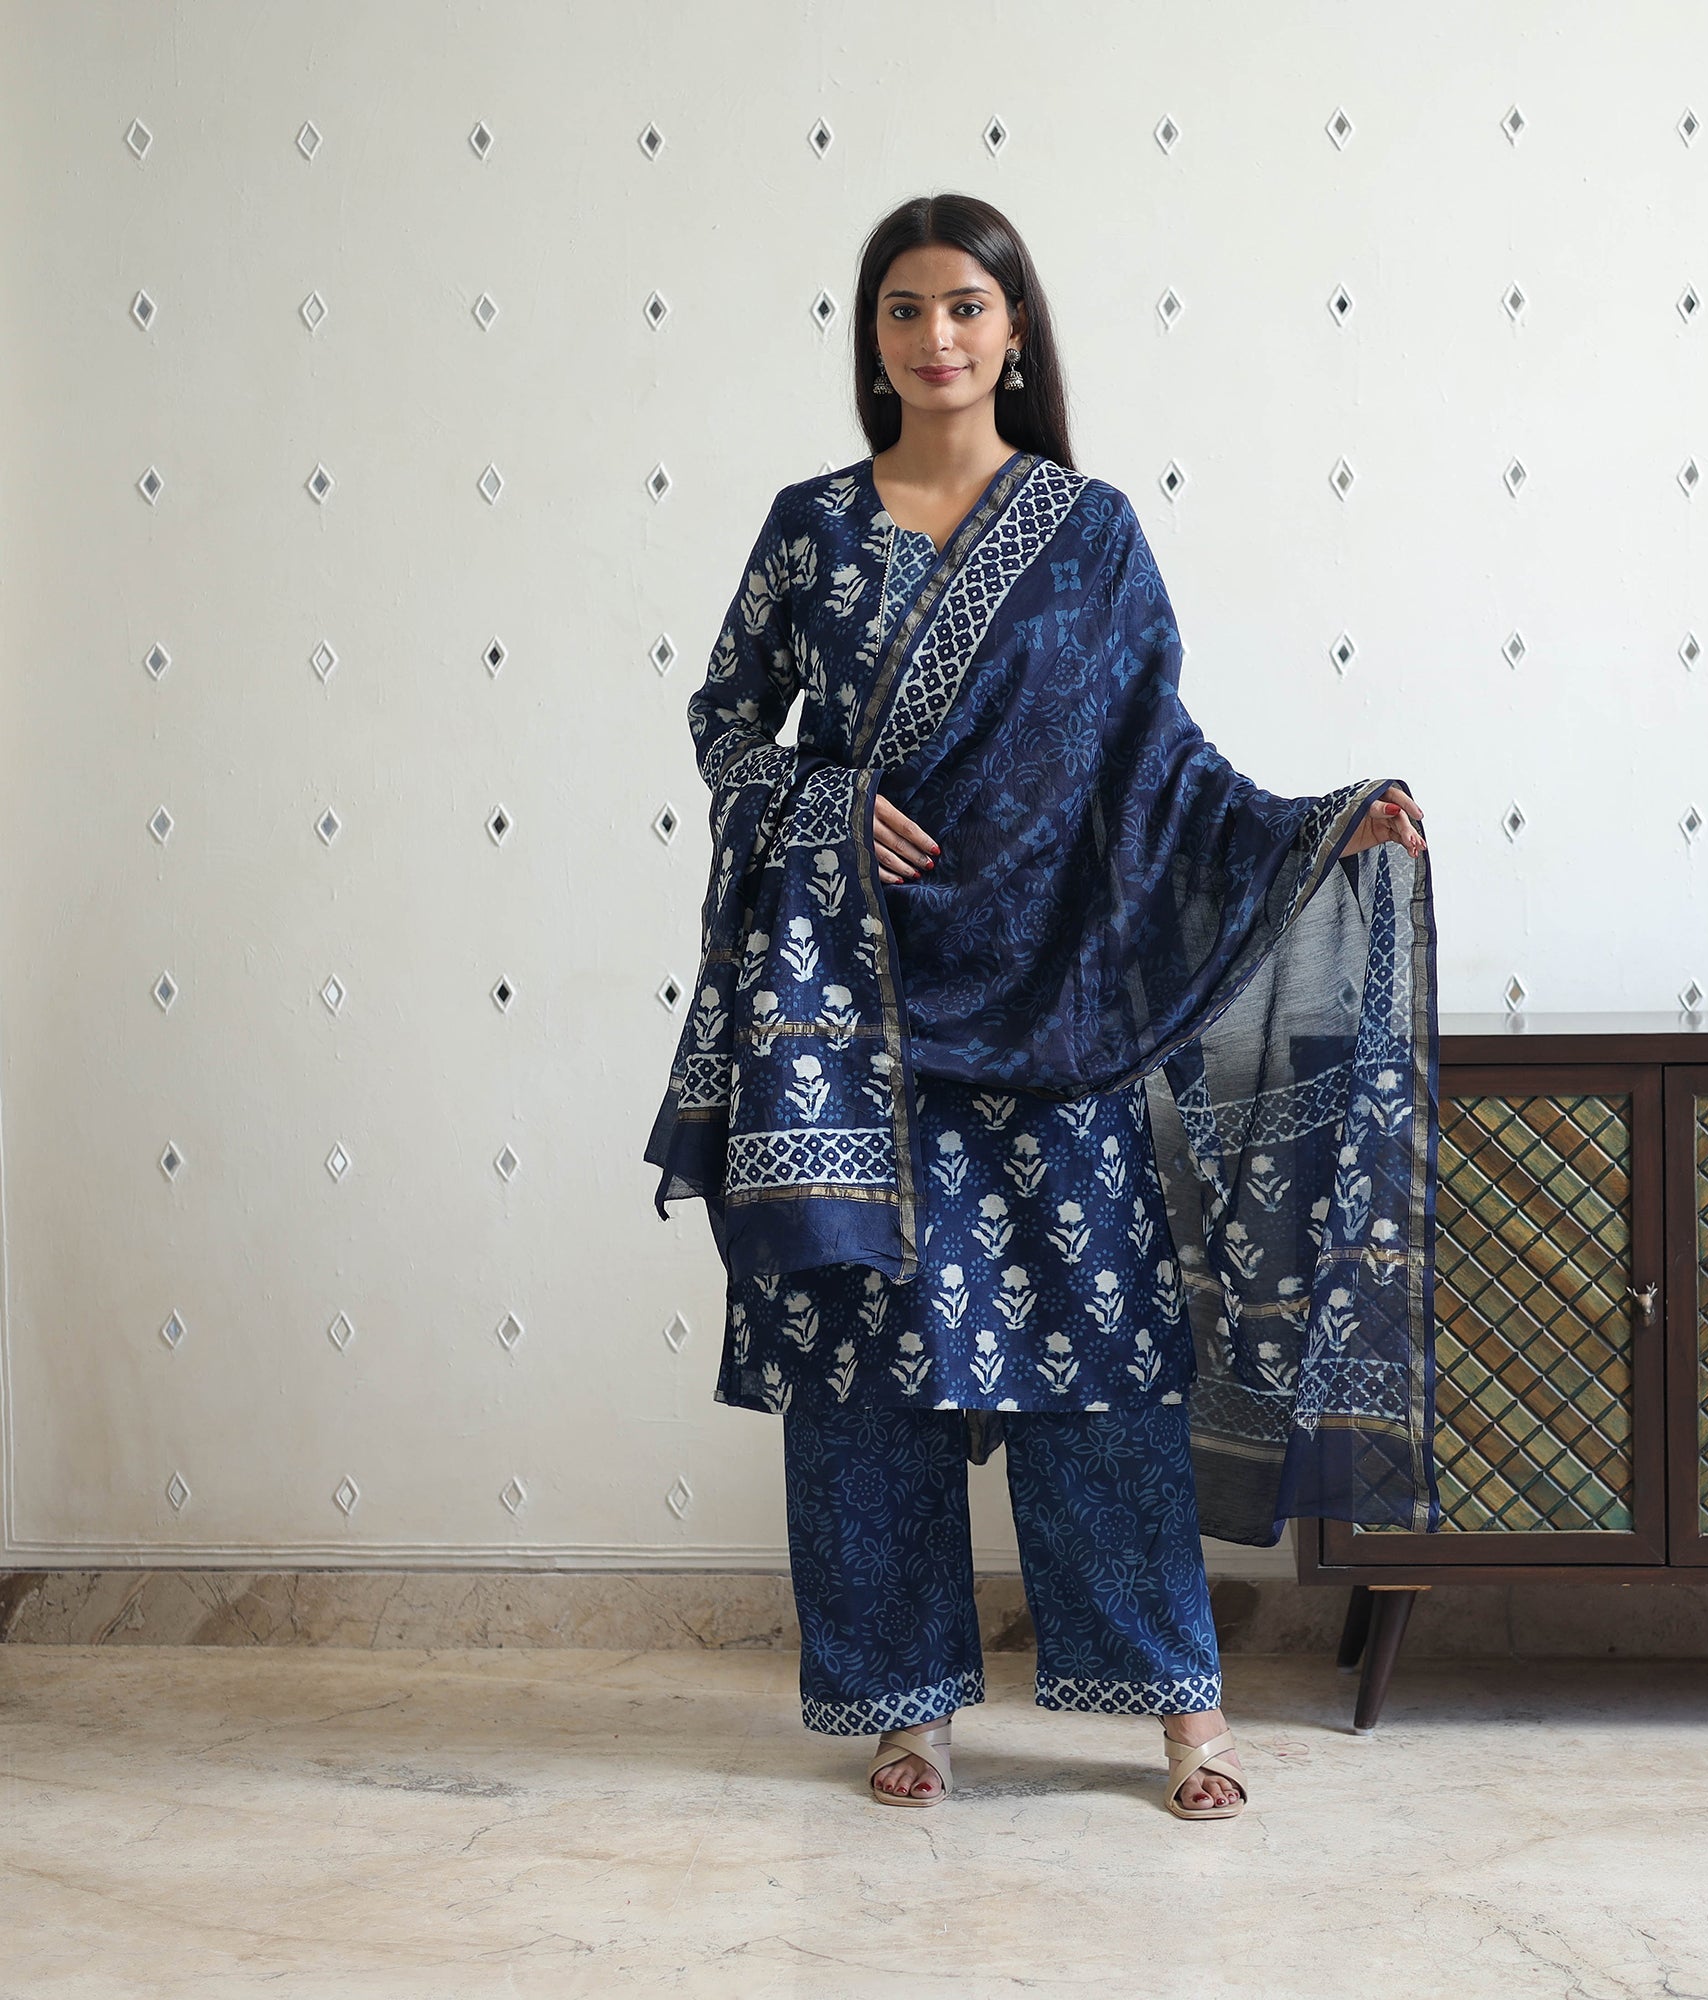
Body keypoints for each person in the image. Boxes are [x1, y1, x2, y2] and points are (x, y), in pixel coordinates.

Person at [645, 193, 1437, 1819]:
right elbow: (726, 723)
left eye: (965, 307)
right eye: (904, 310)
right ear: (872, 338)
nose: (934, 337)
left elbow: (1161, 768)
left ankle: (1184, 1716)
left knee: (1099, 1366)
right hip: (848, 1022)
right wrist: (818, 804)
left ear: (1014, 332)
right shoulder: (811, 528)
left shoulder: (1087, 533)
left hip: (1055, 1010)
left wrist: (1316, 827)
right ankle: (908, 1706)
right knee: (863, 1378)